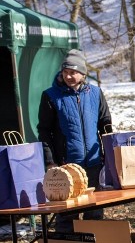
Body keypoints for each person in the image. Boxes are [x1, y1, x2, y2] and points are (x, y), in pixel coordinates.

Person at [37, 49, 112, 232]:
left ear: (82, 74)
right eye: (65, 72)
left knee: (94, 211)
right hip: (66, 166)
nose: (69, 76)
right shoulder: (51, 96)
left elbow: (105, 124)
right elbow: (44, 131)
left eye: (73, 72)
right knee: (67, 214)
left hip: (93, 163)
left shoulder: (95, 93)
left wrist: (109, 154)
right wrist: (50, 161)